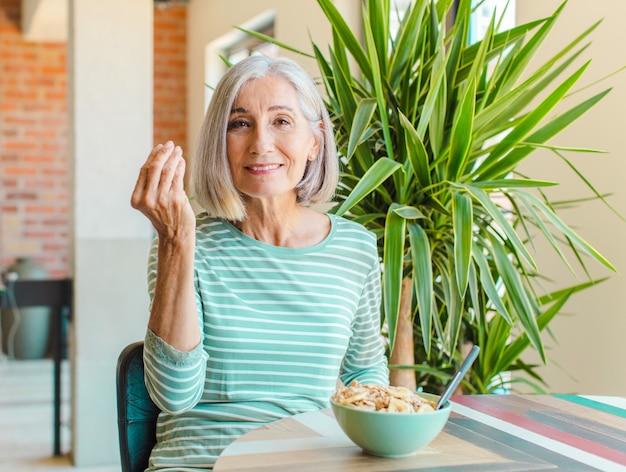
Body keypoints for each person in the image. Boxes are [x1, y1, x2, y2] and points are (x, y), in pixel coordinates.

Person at [130, 54, 389, 470]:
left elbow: (365, 370)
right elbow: (174, 394)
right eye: (240, 123)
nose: (260, 144)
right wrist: (176, 241)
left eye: (281, 121)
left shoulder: (355, 249)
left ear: (314, 142)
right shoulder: (184, 246)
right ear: (221, 142)